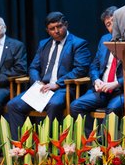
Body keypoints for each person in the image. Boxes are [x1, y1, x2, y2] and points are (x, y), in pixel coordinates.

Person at [7, 11, 91, 140]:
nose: (56, 31)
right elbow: (34, 67)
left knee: (54, 104)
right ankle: (20, 148)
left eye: (59, 26)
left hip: (63, 88)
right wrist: (37, 82)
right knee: (13, 105)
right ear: (47, 30)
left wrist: (57, 84)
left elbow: (81, 69)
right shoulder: (43, 44)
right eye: (52, 28)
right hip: (42, 87)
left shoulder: (78, 43)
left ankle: (49, 146)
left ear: (66, 25)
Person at [70, 6, 124, 137]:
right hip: (102, 90)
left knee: (112, 109)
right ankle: (91, 141)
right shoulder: (104, 39)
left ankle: (104, 146)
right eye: (108, 24)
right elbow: (94, 66)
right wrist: (96, 81)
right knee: (75, 106)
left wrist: (116, 83)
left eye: (114, 20)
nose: (112, 26)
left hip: (121, 91)